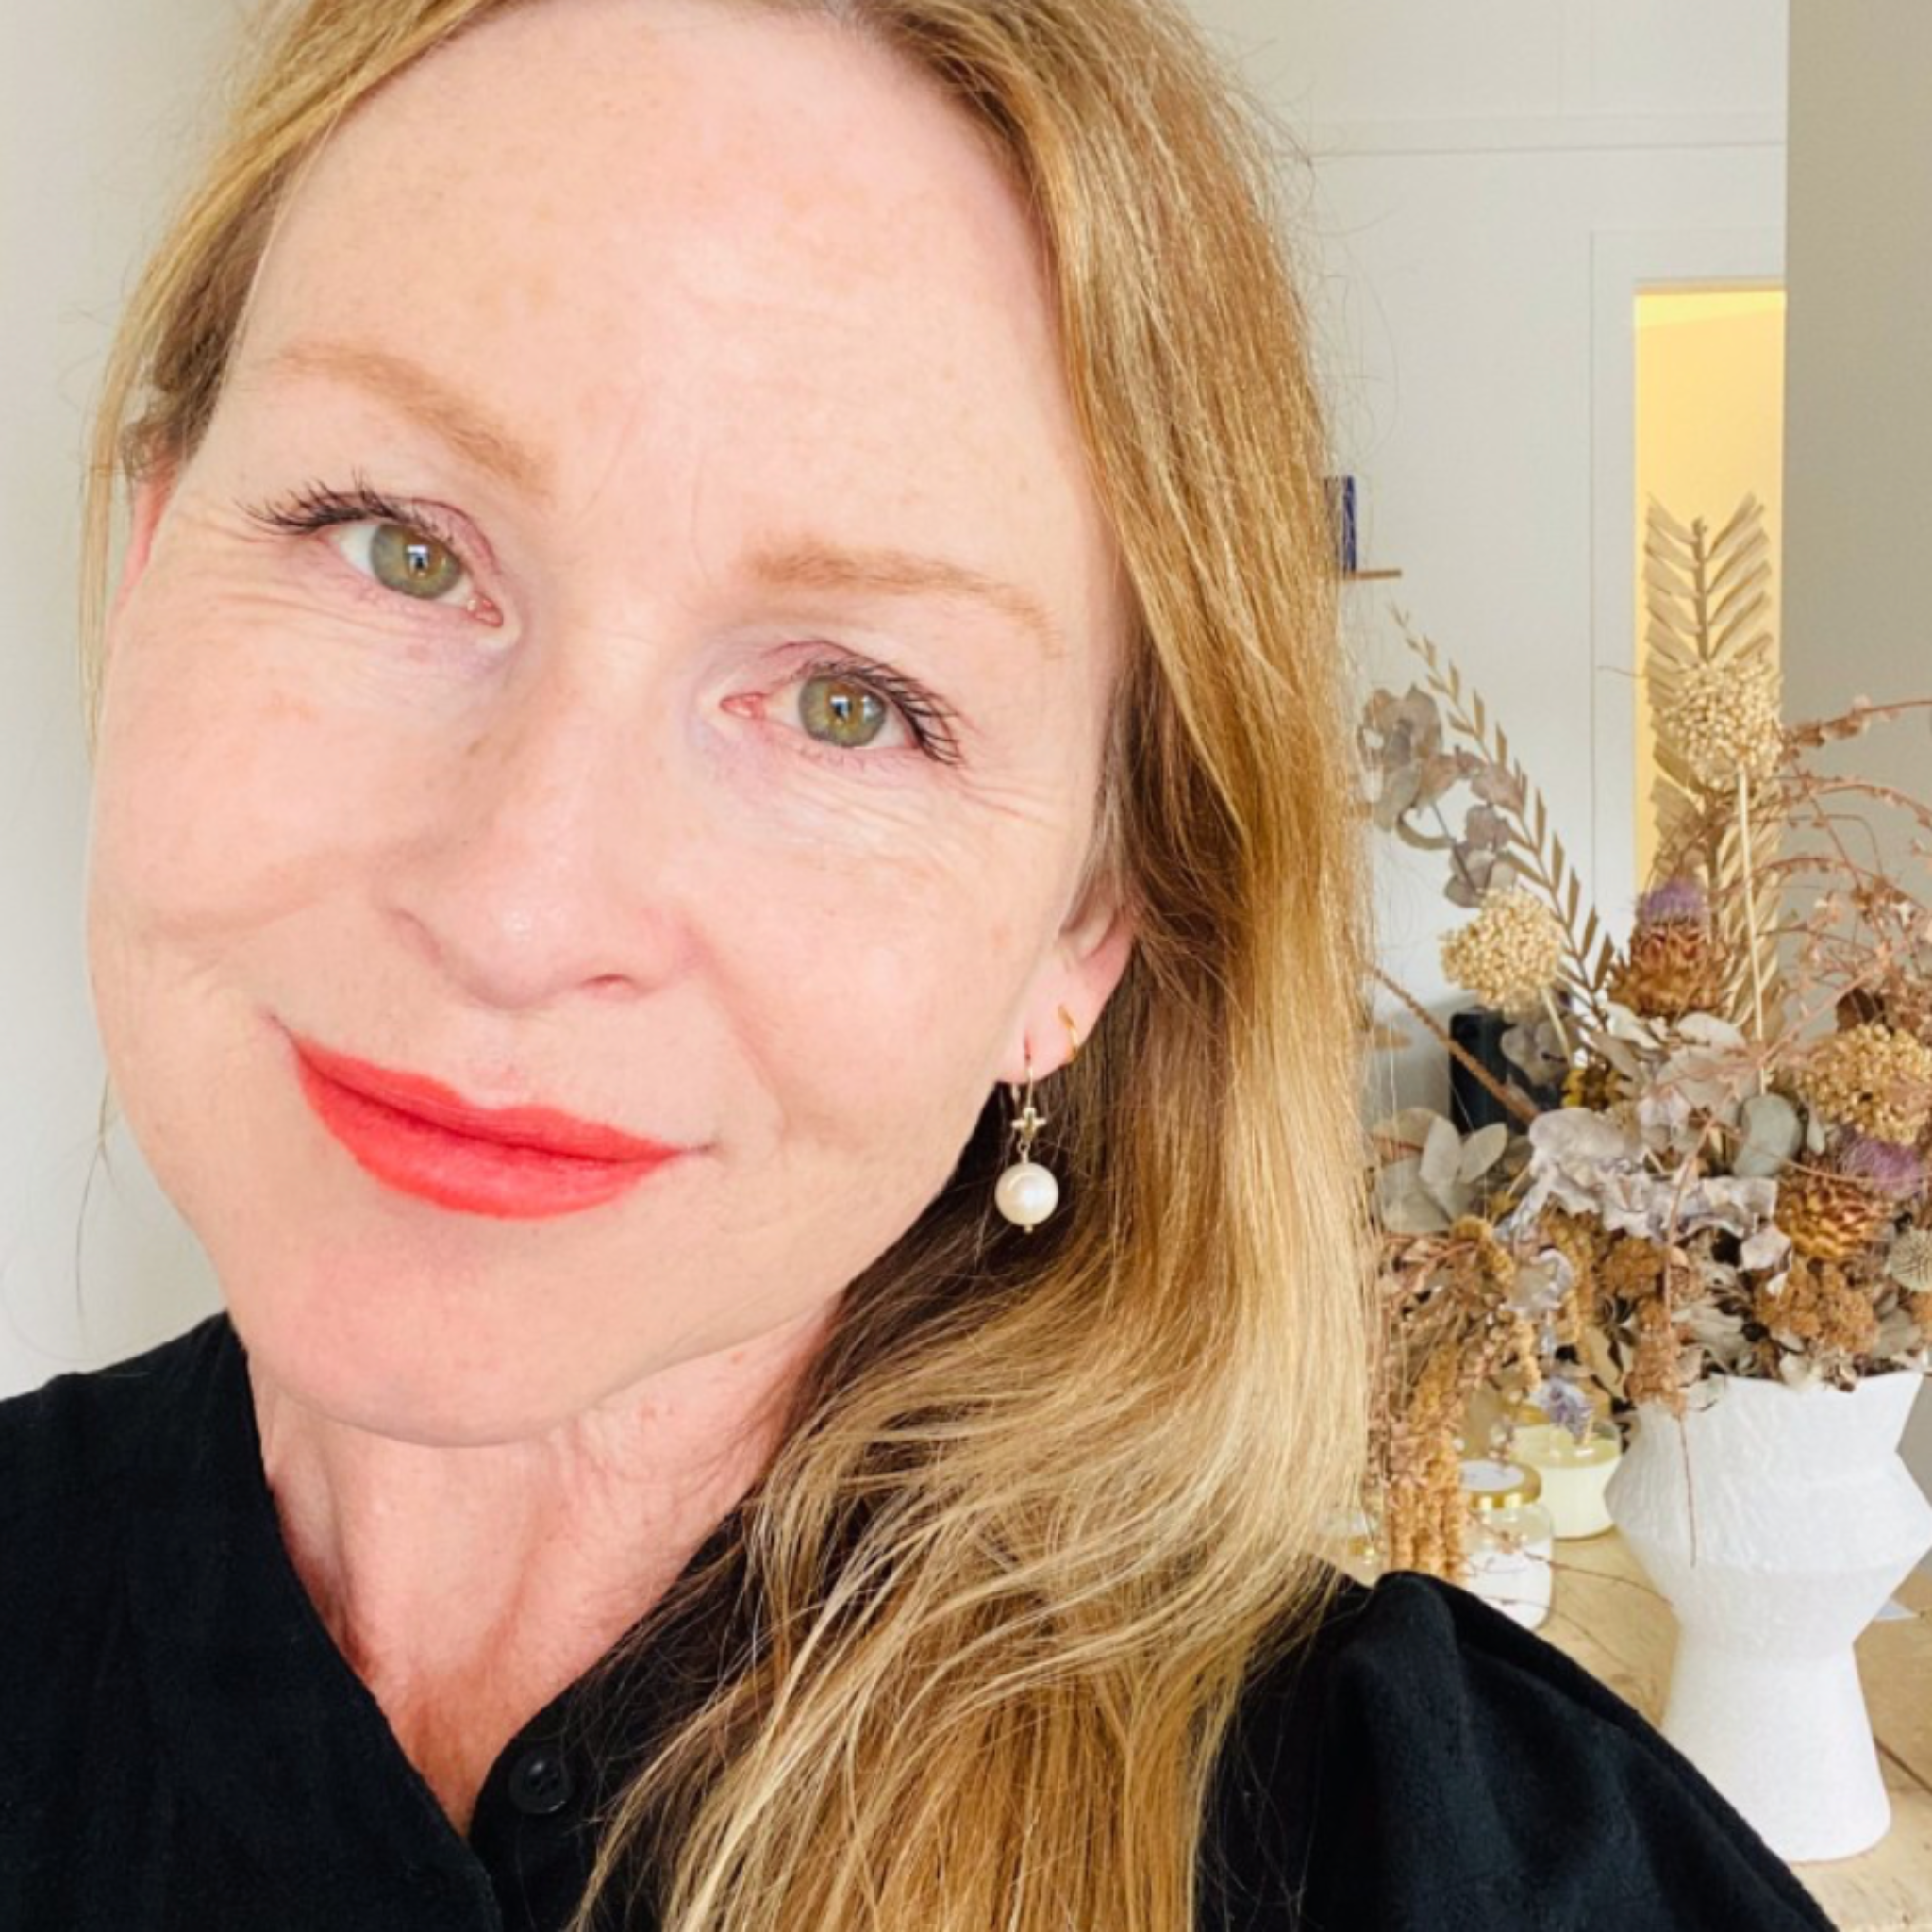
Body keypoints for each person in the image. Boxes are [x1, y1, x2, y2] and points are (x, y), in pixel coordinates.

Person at [0, 1, 1836, 1927]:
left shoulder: (1461, 1867)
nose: (517, 912)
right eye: (393, 544)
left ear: (1084, 931)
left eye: (850, 704)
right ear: (147, 561)